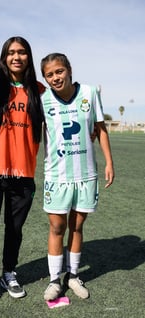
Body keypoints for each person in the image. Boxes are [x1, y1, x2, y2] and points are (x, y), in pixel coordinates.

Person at [0, 36, 45, 312]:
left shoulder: (39, 90)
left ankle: (8, 273)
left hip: (24, 172)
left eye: (22, 52)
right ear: (4, 58)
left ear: (29, 57)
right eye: (11, 52)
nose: (16, 57)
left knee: (14, 229)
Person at [40, 53, 114, 301]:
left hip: (85, 173)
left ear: (69, 70)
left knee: (77, 226)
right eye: (49, 75)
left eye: (59, 71)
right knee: (57, 226)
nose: (55, 78)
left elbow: (100, 130)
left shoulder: (90, 93)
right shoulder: (42, 100)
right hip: (56, 174)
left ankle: (72, 276)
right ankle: (54, 280)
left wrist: (109, 162)